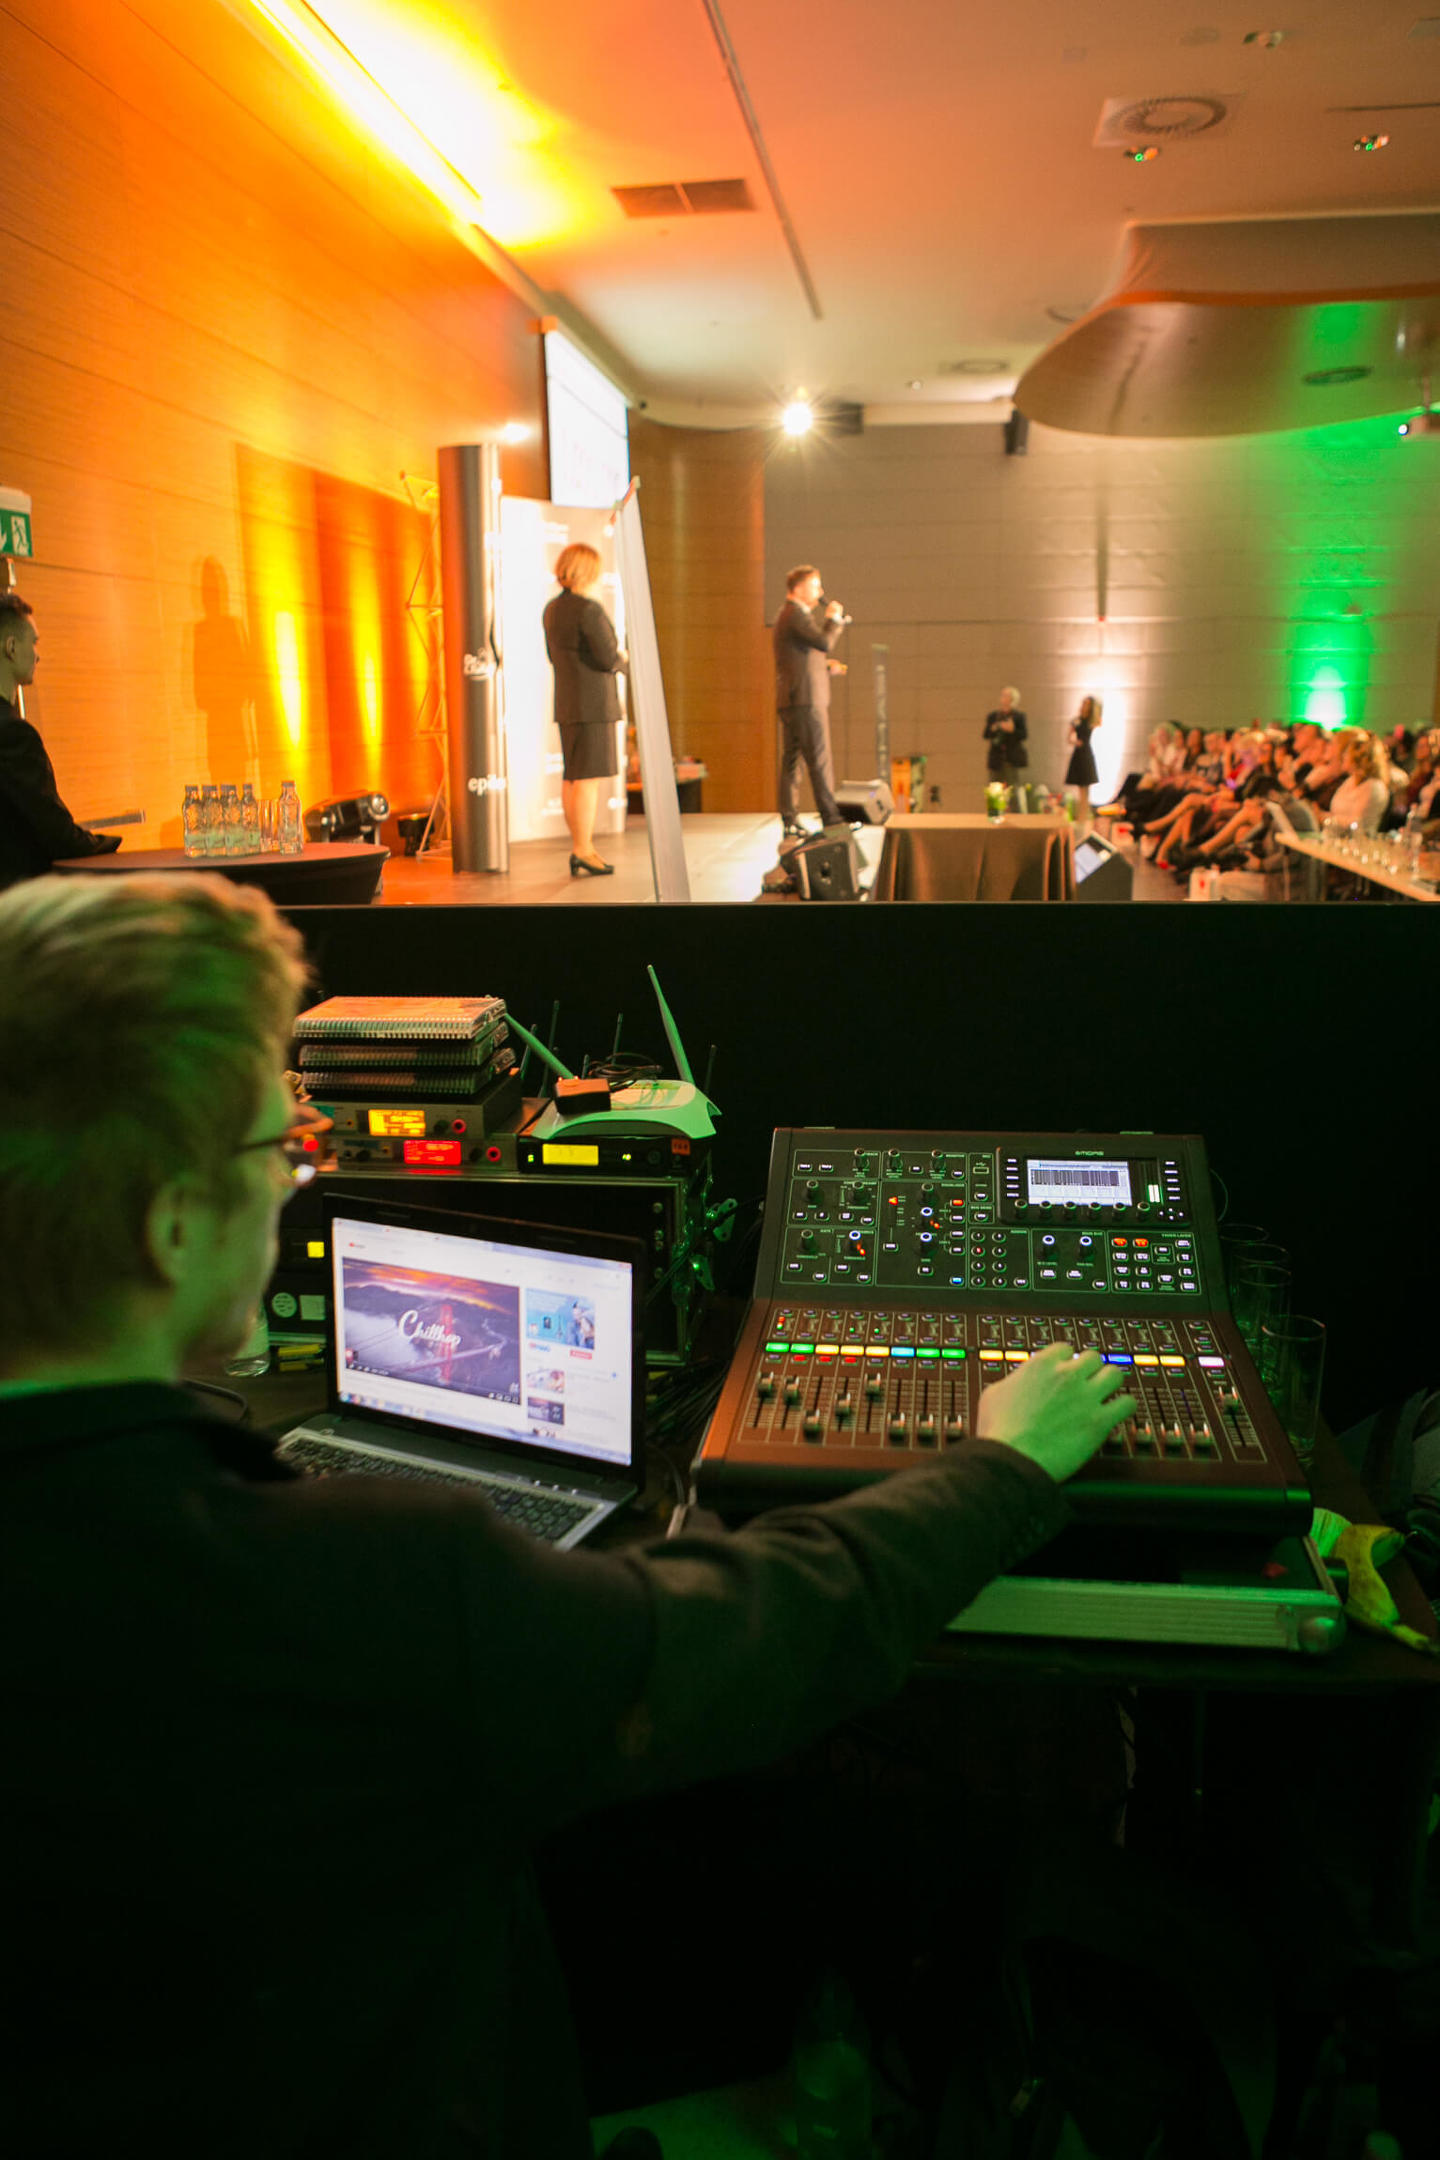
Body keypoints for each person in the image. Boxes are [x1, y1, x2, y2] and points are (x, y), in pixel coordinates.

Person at [0, 871, 1134, 2158]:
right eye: (282, 1151)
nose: (294, 1183)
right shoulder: (366, 1584)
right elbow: (762, 1630)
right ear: (171, 1227)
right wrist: (999, 1467)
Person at [0, 592, 121, 888]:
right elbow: (55, 832)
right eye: (34, 642)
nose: (38, 655)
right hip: (20, 900)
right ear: (11, 647)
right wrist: (106, 844)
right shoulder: (14, 735)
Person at [542, 543, 627, 877]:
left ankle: (582, 847)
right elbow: (608, 657)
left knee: (573, 776)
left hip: (568, 701)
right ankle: (583, 849)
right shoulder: (589, 610)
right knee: (587, 780)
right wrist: (623, 659)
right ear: (588, 572)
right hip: (593, 705)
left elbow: (552, 656)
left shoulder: (552, 609)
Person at [773, 564, 847, 838]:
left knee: (792, 760)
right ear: (800, 588)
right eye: (815, 586)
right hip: (805, 699)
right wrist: (834, 620)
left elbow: (801, 656)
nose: (820, 591)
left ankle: (790, 817)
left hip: (793, 698)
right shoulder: (796, 614)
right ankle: (831, 818)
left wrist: (824, 668)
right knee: (819, 758)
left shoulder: (788, 615)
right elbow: (823, 642)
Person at [1063, 693, 1102, 826]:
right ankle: (1081, 815)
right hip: (1078, 753)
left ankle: (1085, 815)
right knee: (1081, 788)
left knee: (1086, 787)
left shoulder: (1092, 721)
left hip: (1087, 753)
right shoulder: (1076, 721)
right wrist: (1075, 742)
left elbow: (1098, 721)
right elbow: (1069, 738)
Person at [983, 686, 1028, 800]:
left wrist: (1012, 730)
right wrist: (994, 728)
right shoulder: (993, 716)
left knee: (1012, 790)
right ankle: (995, 810)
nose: (1003, 698)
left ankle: (1014, 810)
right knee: (994, 790)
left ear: (1012, 698)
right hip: (996, 758)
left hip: (1011, 758)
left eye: (1006, 695)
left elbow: (1023, 735)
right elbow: (986, 734)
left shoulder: (1018, 717)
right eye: (1002, 695)